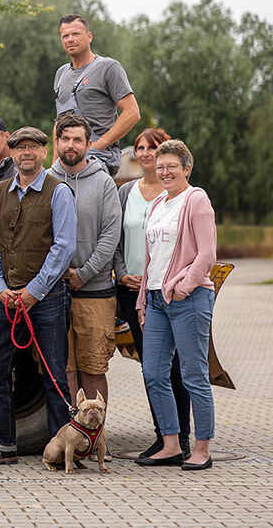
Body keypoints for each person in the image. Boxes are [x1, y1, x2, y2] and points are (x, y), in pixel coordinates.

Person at [0, 126, 77, 467]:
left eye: (32, 146)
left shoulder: (58, 192)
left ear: (44, 152)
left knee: (54, 374)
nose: (26, 152)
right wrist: (1, 289)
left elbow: (63, 248)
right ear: (12, 154)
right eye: (19, 148)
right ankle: (3, 444)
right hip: (8, 300)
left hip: (46, 297)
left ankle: (62, 449)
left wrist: (34, 291)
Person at [135, 139, 217, 471]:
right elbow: (152, 258)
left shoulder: (196, 200)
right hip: (155, 301)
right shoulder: (156, 204)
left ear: (186, 168)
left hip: (188, 299)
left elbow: (206, 255)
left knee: (193, 375)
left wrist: (182, 288)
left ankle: (201, 448)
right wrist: (144, 296)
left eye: (172, 166)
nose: (165, 171)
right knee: (154, 373)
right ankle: (170, 444)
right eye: (160, 166)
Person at [113, 128, 191, 459]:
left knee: (176, 366)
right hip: (133, 292)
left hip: (171, 291)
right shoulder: (126, 191)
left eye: (153, 148)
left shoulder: (179, 194)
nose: (145, 153)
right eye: (141, 147)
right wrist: (121, 273)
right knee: (151, 366)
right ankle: (163, 435)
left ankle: (183, 438)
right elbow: (116, 237)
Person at [47, 114, 121, 404]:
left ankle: (94, 438)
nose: (70, 145)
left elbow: (110, 234)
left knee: (92, 369)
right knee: (63, 371)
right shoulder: (47, 181)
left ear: (89, 144)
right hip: (54, 291)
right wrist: (60, 272)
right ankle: (70, 439)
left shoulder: (104, 183)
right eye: (65, 138)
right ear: (57, 142)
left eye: (77, 139)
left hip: (95, 292)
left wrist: (85, 273)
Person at [53, 14, 141, 174]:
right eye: (65, 36)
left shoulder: (108, 67)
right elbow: (59, 123)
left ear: (89, 37)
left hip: (97, 159)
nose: (70, 39)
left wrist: (97, 145)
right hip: (65, 159)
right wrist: (54, 165)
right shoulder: (61, 73)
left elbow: (132, 113)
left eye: (76, 34)